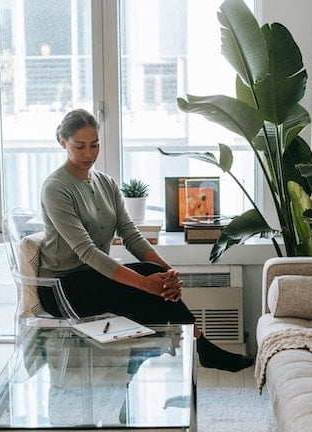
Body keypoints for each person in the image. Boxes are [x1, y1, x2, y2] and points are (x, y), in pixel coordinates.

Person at [37, 108, 253, 373]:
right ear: (62, 142)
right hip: (62, 287)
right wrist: (146, 283)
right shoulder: (56, 188)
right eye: (79, 146)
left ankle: (138, 366)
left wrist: (169, 273)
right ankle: (197, 350)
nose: (88, 154)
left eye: (95, 145)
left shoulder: (106, 184)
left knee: (154, 285)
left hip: (94, 278)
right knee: (148, 291)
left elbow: (131, 235)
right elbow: (87, 252)